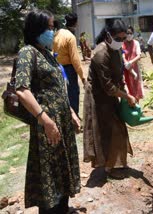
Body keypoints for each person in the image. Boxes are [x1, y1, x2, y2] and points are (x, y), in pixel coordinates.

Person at [15, 10, 81, 213]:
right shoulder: (28, 52)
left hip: (61, 123)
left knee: (62, 169)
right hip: (47, 127)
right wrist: (46, 121)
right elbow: (22, 90)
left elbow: (57, 88)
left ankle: (63, 208)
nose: (52, 32)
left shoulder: (46, 53)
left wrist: (70, 112)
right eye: (49, 28)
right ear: (36, 29)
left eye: (53, 28)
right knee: (50, 173)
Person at [83, 20, 136, 178]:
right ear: (108, 35)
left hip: (112, 94)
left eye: (123, 38)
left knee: (117, 127)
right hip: (98, 96)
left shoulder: (117, 50)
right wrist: (126, 96)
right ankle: (108, 168)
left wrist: (125, 91)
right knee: (104, 131)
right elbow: (107, 86)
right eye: (118, 38)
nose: (120, 42)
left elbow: (118, 76)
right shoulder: (100, 53)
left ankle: (115, 163)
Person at [53, 13, 85, 115]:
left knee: (60, 93)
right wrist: (83, 77)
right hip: (69, 69)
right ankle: (74, 118)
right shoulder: (70, 37)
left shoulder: (57, 33)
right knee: (73, 93)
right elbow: (75, 59)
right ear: (76, 23)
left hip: (56, 66)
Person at [122, 26, 144, 102]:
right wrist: (126, 63)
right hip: (125, 70)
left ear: (133, 34)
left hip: (135, 68)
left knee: (136, 88)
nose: (129, 35)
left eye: (130, 33)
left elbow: (139, 55)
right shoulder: (122, 43)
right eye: (127, 33)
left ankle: (137, 106)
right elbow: (123, 56)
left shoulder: (136, 43)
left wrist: (131, 62)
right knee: (127, 89)